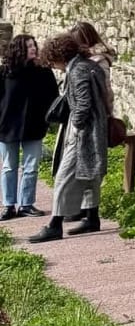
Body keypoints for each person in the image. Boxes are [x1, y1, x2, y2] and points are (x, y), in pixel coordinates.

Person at [28, 24, 113, 243]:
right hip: (97, 127)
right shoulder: (89, 66)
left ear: (59, 57)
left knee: (64, 177)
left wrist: (75, 126)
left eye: (53, 61)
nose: (54, 67)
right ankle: (92, 217)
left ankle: (55, 224)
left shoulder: (77, 71)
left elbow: (83, 104)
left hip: (84, 131)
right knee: (90, 175)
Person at [0, 35, 58, 220]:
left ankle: (26, 204)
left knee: (31, 166)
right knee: (9, 166)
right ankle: (9, 205)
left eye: (34, 45)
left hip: (34, 125)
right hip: (7, 125)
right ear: (19, 49)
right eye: (29, 46)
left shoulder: (43, 72)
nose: (33, 49)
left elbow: (53, 98)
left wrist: (47, 119)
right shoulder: (5, 72)